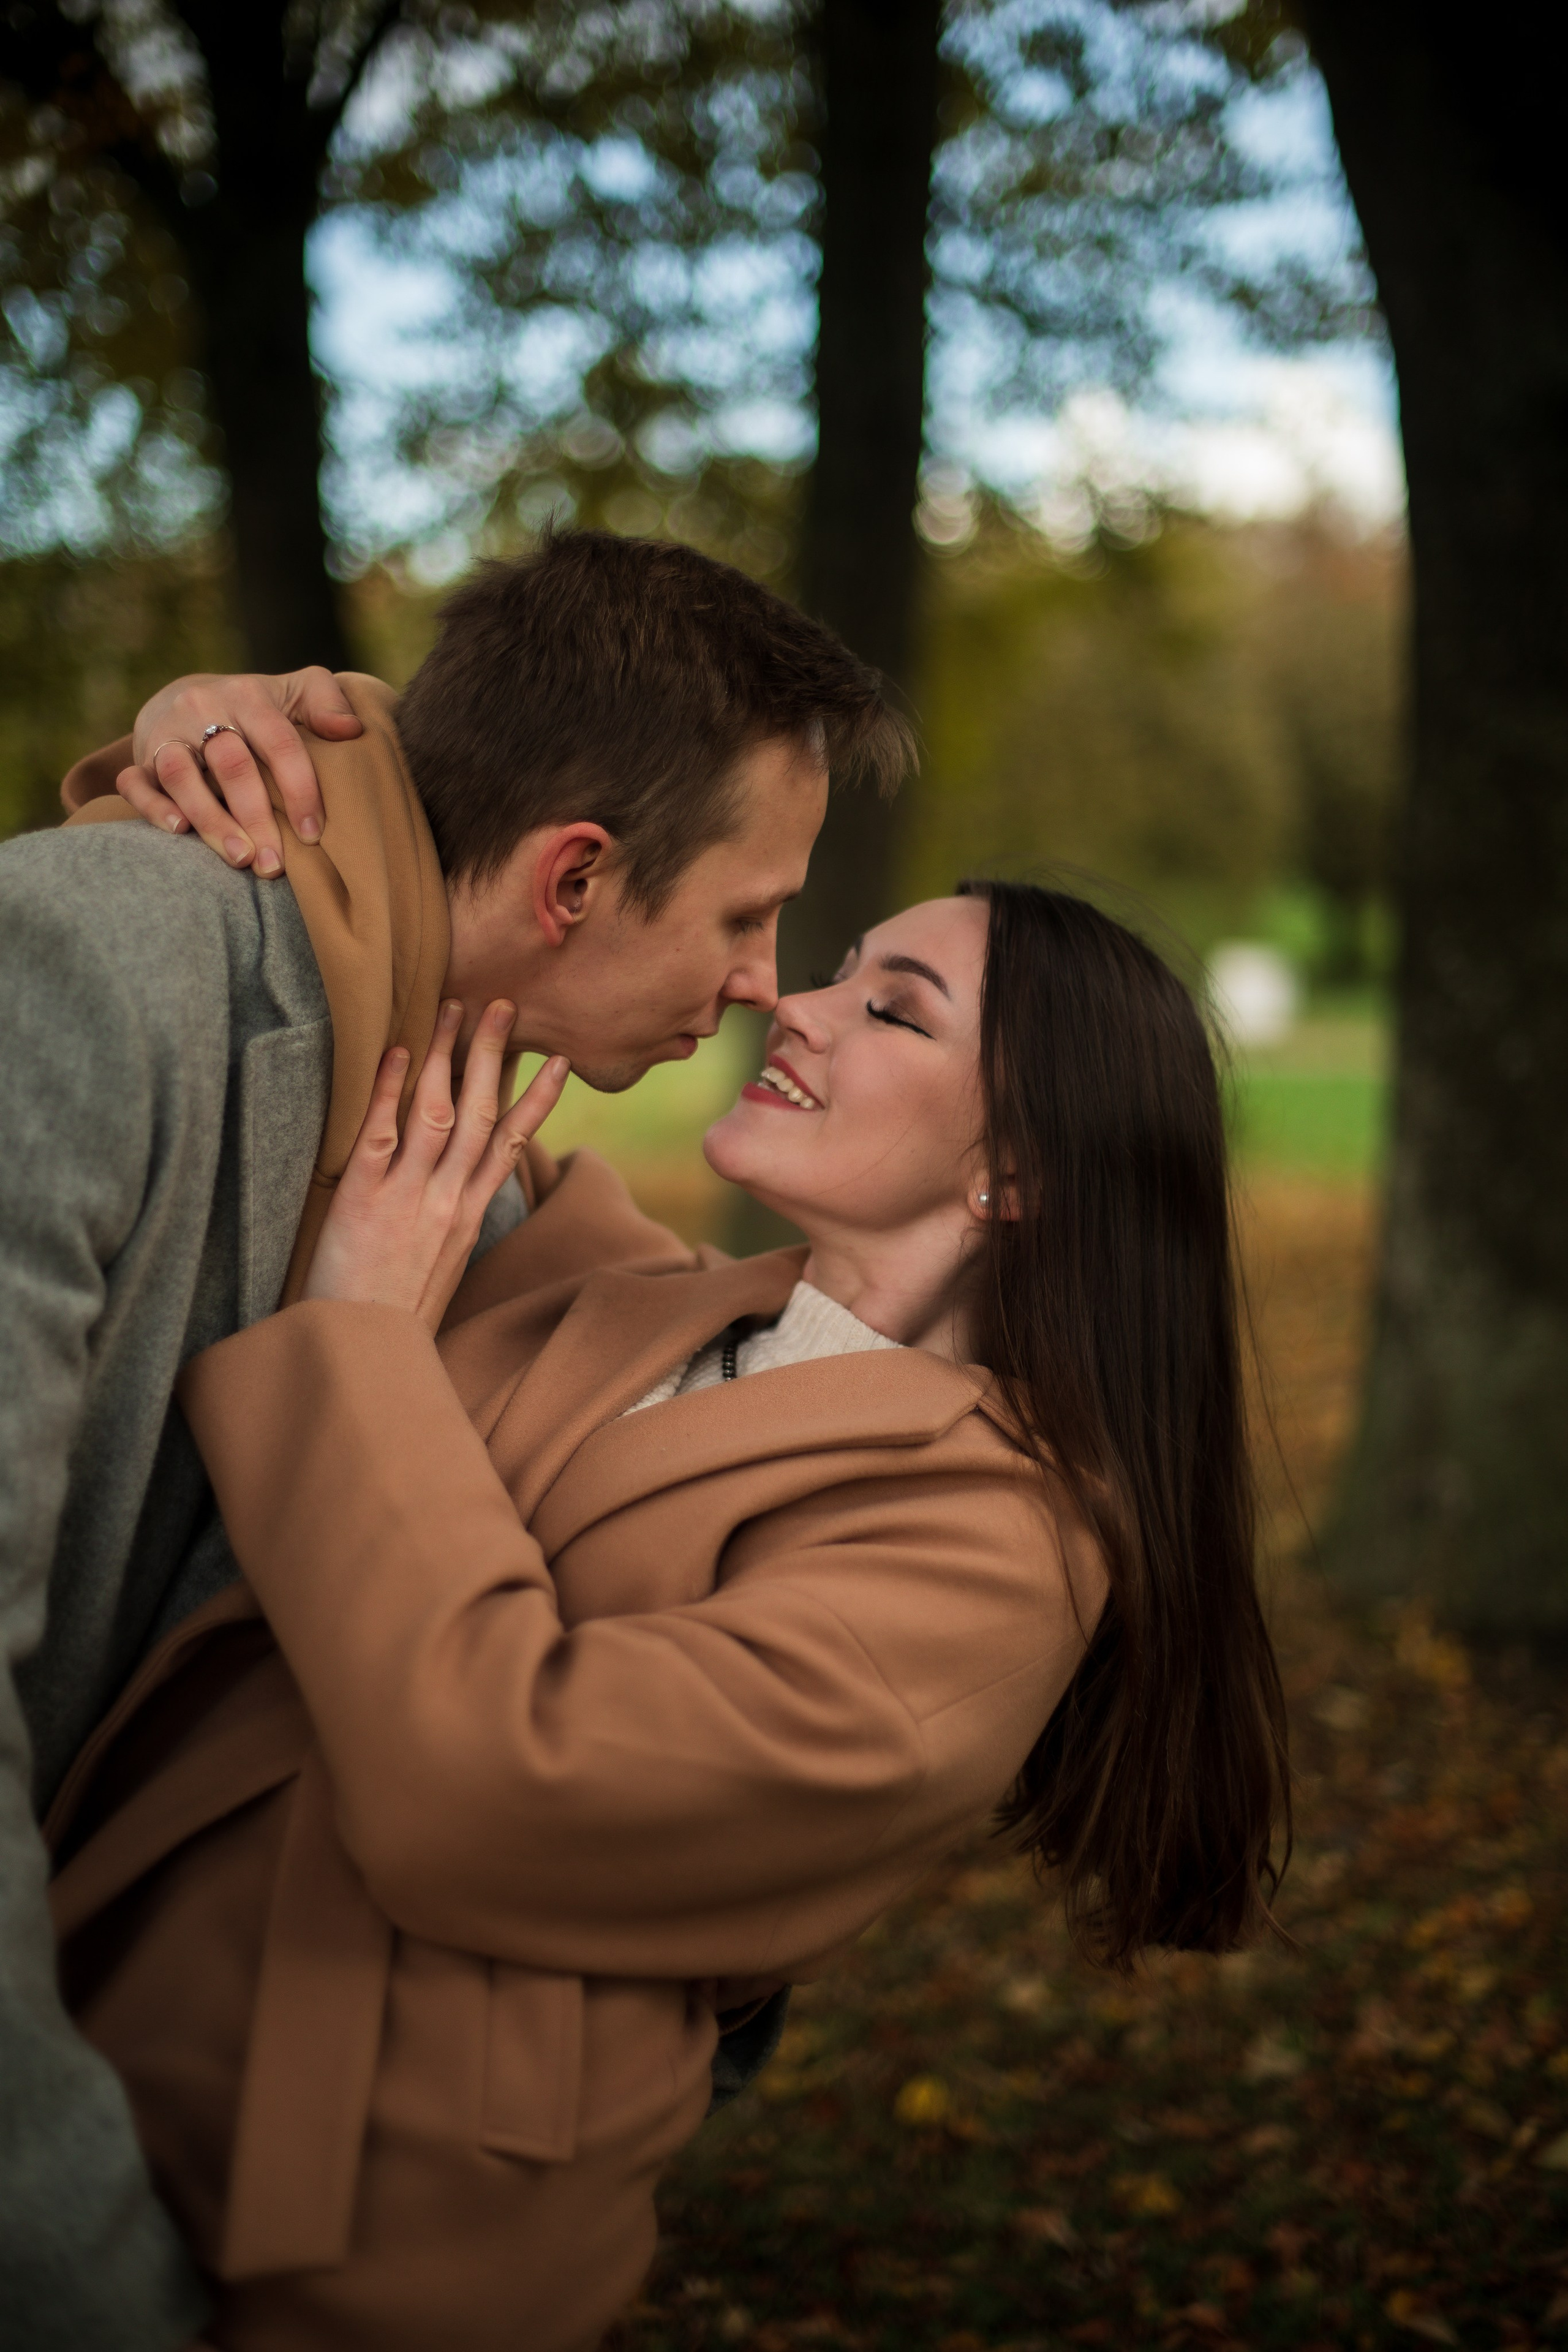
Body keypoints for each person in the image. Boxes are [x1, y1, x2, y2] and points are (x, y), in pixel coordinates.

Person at [47, 878, 1290, 2352]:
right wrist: (258, 735)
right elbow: (401, 951)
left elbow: (498, 1790)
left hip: (358, 2225)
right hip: (98, 2016)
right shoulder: (641, 1287)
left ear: (1011, 1174)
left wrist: (371, 1335)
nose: (795, 1003)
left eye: (890, 1008)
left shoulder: (1000, 1558)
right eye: (834, 968)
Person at [0, 530, 910, 2352]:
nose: (761, 979)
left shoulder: (460, 1140)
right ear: (576, 877)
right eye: (746, 912)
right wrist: (88, 2288)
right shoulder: (85, 970)